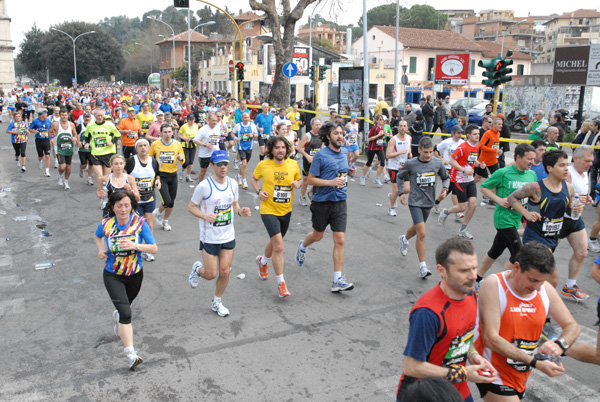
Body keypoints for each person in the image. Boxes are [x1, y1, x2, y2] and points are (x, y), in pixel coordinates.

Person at [475, 242, 581, 401]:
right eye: (533, 280)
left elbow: (572, 326)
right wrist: (535, 362)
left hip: (521, 373)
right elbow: (491, 339)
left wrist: (559, 345)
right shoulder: (494, 285)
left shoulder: (544, 289)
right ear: (516, 268)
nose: (537, 288)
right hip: (493, 371)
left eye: (542, 281)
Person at [396, 237, 497, 402]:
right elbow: (412, 366)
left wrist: (474, 356)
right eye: (464, 271)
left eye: (474, 268)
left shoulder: (470, 294)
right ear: (441, 270)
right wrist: (464, 373)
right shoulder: (428, 313)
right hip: (425, 394)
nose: (473, 276)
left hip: (456, 389)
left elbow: (460, 336)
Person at [94, 190, 158, 370]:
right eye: (119, 206)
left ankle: (118, 317)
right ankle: (131, 354)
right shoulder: (106, 224)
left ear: (132, 207)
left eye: (126, 205)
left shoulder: (140, 223)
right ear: (112, 207)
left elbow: (154, 248)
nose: (123, 209)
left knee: (124, 309)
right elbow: (97, 236)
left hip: (135, 275)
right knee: (127, 314)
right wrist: (101, 250)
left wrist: (135, 246)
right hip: (113, 274)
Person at [188, 150, 251, 317]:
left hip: (228, 235)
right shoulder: (204, 186)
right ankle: (197, 269)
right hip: (209, 236)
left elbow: (235, 204)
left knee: (225, 271)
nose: (223, 167)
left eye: (225, 164)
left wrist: (240, 211)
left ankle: (217, 301)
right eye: (219, 165)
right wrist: (205, 216)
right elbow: (191, 207)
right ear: (212, 166)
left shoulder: (232, 183)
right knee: (211, 274)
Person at [507, 150, 583, 288]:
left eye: (567, 165)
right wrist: (526, 213)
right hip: (536, 238)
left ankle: (501, 286)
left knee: (520, 269)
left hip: (553, 238)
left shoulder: (569, 188)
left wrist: (576, 208)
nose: (566, 169)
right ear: (549, 168)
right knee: (552, 278)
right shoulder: (535, 187)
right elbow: (512, 198)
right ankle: (542, 306)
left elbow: (568, 209)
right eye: (561, 165)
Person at [295, 121, 356, 292]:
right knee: (318, 236)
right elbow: (311, 180)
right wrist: (330, 182)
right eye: (335, 133)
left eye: (341, 133)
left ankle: (337, 279)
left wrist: (349, 173)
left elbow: (340, 172)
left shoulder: (344, 152)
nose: (339, 136)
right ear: (328, 137)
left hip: (340, 201)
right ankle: (302, 246)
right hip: (322, 202)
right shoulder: (321, 155)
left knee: (340, 239)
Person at [475, 143, 537, 287]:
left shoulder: (531, 174)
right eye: (529, 159)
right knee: (519, 254)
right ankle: (503, 285)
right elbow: (484, 187)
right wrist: (498, 200)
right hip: (503, 219)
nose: (531, 162)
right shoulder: (503, 173)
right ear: (518, 157)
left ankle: (478, 279)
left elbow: (533, 194)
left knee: (495, 251)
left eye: (533, 159)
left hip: (516, 219)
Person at [252, 137, 301, 297]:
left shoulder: (293, 165)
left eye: (283, 147)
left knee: (275, 241)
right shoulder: (263, 165)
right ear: (271, 150)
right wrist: (259, 191)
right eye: (277, 148)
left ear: (287, 150)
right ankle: (281, 283)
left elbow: (299, 180)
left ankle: (263, 261)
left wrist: (298, 184)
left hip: (286, 210)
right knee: (279, 246)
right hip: (268, 210)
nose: (280, 150)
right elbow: (253, 179)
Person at [397, 137, 450, 278]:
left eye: (430, 152)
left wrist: (445, 188)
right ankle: (423, 267)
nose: (428, 155)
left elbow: (446, 177)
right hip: (415, 202)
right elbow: (399, 176)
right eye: (425, 152)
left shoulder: (437, 163)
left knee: (416, 227)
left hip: (429, 202)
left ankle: (404, 238)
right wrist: (401, 192)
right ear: (419, 150)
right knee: (421, 232)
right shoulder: (411, 164)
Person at [558, 145, 594, 300]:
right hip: (561, 219)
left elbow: (582, 195)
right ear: (577, 158)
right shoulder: (568, 173)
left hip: (575, 219)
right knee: (544, 253)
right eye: (587, 160)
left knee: (582, 252)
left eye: (592, 161)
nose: (590, 164)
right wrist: (577, 199)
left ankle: (570, 286)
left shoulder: (587, 174)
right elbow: (564, 197)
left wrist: (587, 199)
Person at [438, 125, 483, 239]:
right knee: (462, 207)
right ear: (468, 135)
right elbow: (452, 160)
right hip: (459, 179)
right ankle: (446, 212)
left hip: (470, 179)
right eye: (475, 134)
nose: (477, 136)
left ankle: (463, 230)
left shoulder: (476, 147)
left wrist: (479, 164)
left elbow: (471, 160)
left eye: (478, 134)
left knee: (473, 204)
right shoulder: (462, 147)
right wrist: (464, 170)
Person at [150, 124, 185, 231]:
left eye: (169, 132)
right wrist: (156, 163)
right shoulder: (155, 144)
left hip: (173, 175)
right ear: (161, 133)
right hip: (161, 176)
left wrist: (181, 158)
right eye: (165, 132)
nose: (167, 134)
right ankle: (158, 212)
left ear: (172, 132)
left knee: (171, 202)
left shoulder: (177, 144)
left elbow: (183, 160)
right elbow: (149, 158)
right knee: (167, 201)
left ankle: (165, 221)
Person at [433, 125, 464, 217]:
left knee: (449, 189)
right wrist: (441, 159)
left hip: (458, 169)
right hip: (448, 169)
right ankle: (457, 211)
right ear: (453, 133)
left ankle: (436, 202)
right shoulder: (446, 142)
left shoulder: (463, 143)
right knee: (454, 189)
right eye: (458, 133)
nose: (460, 135)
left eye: (461, 133)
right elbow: (435, 149)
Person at [83, 108, 122, 179]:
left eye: (101, 115)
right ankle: (100, 189)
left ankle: (104, 188)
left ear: (103, 116)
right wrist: (87, 143)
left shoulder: (109, 125)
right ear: (94, 115)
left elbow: (118, 135)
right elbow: (87, 136)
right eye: (98, 115)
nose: (99, 117)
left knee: (106, 176)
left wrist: (112, 142)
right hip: (96, 153)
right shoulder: (90, 125)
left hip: (108, 152)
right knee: (99, 176)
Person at [386, 120, 411, 216]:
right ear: (398, 128)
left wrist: (410, 153)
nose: (402, 128)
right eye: (401, 126)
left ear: (407, 128)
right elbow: (388, 155)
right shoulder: (393, 139)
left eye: (404, 126)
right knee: (396, 190)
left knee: (407, 189)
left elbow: (409, 148)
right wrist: (400, 152)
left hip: (404, 167)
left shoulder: (409, 138)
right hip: (394, 167)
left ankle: (392, 195)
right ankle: (391, 208)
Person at [49, 108, 78, 190]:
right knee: (62, 167)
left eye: (65, 115)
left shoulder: (71, 124)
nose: (64, 117)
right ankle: (60, 175)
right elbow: (50, 132)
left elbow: (75, 134)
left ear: (68, 115)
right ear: (60, 115)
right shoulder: (55, 124)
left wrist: (74, 138)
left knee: (68, 167)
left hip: (69, 148)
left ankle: (66, 182)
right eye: (62, 115)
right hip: (59, 148)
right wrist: (51, 138)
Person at [297, 118, 322, 206]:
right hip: (307, 162)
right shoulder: (307, 136)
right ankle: (302, 197)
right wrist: (307, 156)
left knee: (320, 179)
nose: (318, 126)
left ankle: (310, 193)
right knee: (306, 180)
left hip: (317, 162)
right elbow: (299, 148)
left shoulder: (321, 135)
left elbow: (322, 148)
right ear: (312, 125)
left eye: (319, 124)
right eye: (316, 125)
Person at [231, 112, 259, 189]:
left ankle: (238, 176)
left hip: (249, 147)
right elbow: (232, 133)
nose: (246, 119)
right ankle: (244, 180)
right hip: (241, 147)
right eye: (245, 118)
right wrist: (235, 138)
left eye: (248, 117)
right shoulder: (238, 126)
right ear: (242, 118)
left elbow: (257, 134)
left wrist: (252, 135)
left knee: (245, 165)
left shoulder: (252, 125)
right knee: (243, 164)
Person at [360, 114, 387, 187]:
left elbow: (382, 137)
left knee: (383, 163)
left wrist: (385, 135)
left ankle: (377, 178)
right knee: (369, 162)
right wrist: (378, 135)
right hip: (372, 147)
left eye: (382, 119)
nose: (382, 121)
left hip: (379, 147)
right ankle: (363, 177)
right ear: (376, 121)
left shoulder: (382, 127)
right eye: (380, 119)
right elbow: (369, 139)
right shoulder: (374, 128)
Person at [476, 117, 503, 183]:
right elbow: (481, 146)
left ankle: (488, 192)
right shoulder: (487, 133)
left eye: (501, 124)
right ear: (493, 125)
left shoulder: (498, 134)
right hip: (483, 161)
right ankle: (467, 187)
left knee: (497, 178)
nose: (501, 126)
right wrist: (494, 150)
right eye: (499, 124)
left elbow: (494, 145)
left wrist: (499, 151)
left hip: (493, 161)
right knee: (477, 178)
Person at [29, 109, 53, 177]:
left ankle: (47, 171)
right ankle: (40, 160)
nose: (46, 115)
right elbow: (30, 128)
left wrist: (51, 138)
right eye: (45, 113)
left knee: (47, 156)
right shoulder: (35, 121)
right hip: (39, 140)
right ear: (41, 114)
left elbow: (51, 130)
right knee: (40, 156)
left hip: (46, 140)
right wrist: (34, 131)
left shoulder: (48, 121)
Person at [178, 113, 199, 182]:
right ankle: (182, 172)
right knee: (186, 162)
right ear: (188, 120)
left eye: (193, 119)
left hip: (193, 145)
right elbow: (179, 134)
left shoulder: (196, 126)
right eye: (190, 119)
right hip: (185, 145)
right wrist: (184, 138)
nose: (191, 121)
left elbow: (198, 134)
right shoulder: (184, 126)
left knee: (191, 162)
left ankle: (188, 176)